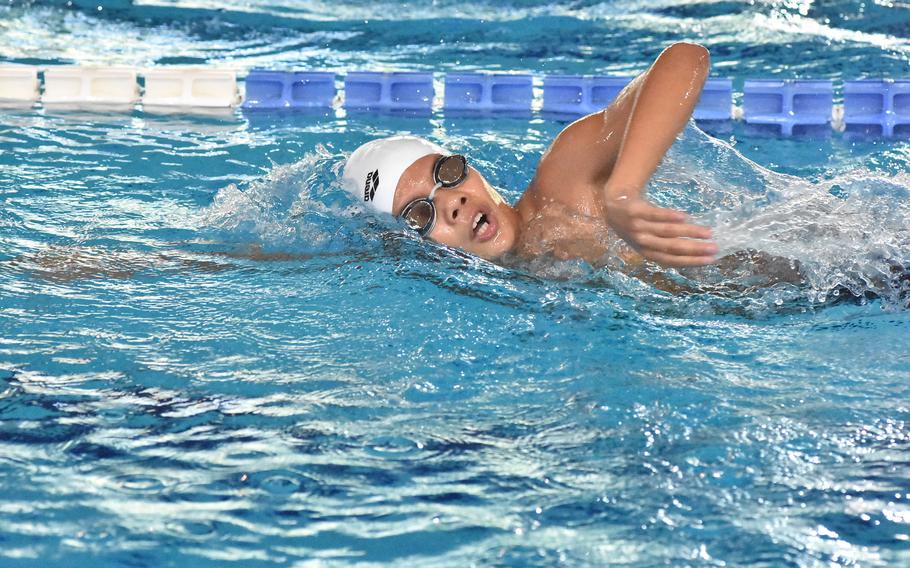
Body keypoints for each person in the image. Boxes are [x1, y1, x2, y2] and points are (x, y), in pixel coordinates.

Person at [342, 42, 719, 270]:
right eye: (420, 213)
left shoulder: (564, 186)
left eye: (448, 172)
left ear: (474, 170)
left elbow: (686, 58)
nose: (451, 203)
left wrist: (624, 191)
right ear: (409, 244)